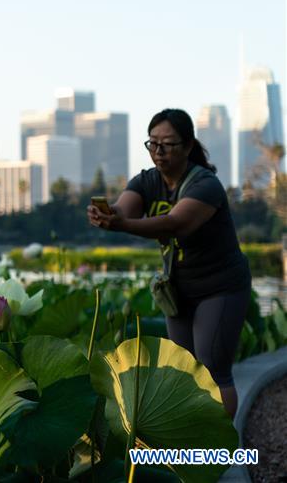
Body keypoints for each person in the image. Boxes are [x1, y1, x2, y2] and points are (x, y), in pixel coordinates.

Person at [87, 108, 251, 417]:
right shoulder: (147, 181)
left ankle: (221, 450)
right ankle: (192, 449)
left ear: (188, 146)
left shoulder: (205, 184)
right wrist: (108, 215)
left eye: (168, 144)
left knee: (213, 368)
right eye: (152, 144)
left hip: (220, 287)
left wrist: (121, 226)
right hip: (178, 289)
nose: (159, 152)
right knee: (183, 372)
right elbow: (125, 210)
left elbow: (175, 224)